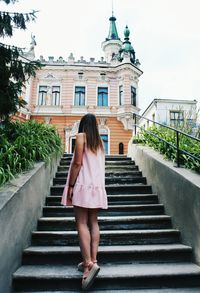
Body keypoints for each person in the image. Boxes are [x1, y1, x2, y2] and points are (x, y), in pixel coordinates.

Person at [61, 113, 108, 291]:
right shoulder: (100, 143)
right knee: (93, 222)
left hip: (82, 185)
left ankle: (88, 265)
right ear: (95, 126)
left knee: (81, 222)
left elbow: (77, 163)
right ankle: (93, 261)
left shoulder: (81, 137)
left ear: (82, 125)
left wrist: (71, 184)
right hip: (96, 187)